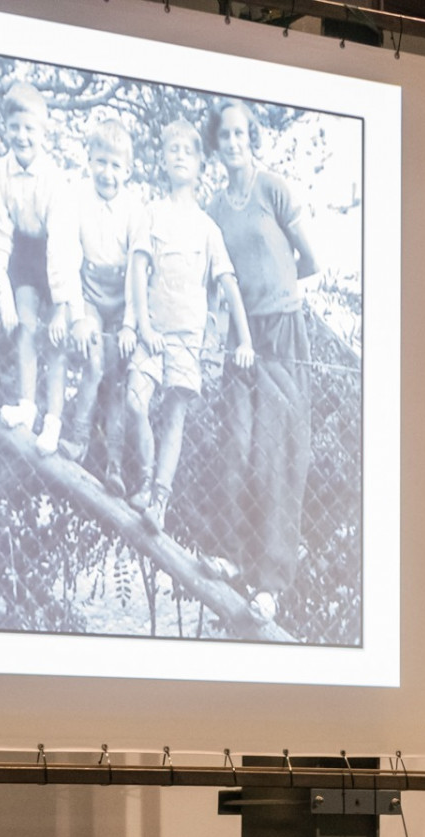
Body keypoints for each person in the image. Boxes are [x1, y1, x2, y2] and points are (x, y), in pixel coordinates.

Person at [205, 101, 319, 622]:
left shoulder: (272, 189)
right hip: (239, 340)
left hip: (280, 331)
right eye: (224, 134)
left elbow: (311, 259)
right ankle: (233, 556)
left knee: (277, 456)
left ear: (251, 137)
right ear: (216, 143)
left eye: (240, 133)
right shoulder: (213, 208)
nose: (232, 141)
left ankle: (271, 584)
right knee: (237, 448)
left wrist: (279, 294)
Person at [125, 119, 253, 531]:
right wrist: (142, 325)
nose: (180, 156)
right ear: (163, 161)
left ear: (201, 164)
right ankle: (144, 478)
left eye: (188, 151)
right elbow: (138, 272)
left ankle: (159, 499)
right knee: (135, 402)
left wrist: (242, 339)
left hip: (186, 340)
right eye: (172, 150)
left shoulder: (207, 228)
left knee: (174, 417)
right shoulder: (151, 213)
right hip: (152, 335)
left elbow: (228, 286)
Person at [49, 117, 146, 479]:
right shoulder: (76, 199)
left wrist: (129, 326)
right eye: (101, 162)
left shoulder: (136, 211)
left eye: (116, 165)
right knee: (92, 363)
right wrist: (78, 315)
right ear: (89, 161)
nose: (107, 173)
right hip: (90, 293)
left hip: (122, 300)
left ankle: (115, 463)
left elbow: (138, 274)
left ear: (129, 170)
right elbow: (67, 256)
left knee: (118, 379)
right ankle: (77, 438)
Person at [0, 82, 69, 453]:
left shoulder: (55, 179)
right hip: (23, 254)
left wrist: (62, 307)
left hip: (57, 252)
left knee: (55, 338)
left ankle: (53, 423)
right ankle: (27, 407)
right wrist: (0, 294)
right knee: (25, 326)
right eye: (14, 127)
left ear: (43, 132)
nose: (21, 135)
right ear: (5, 127)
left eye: (29, 128)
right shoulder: (0, 172)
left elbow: (61, 245)